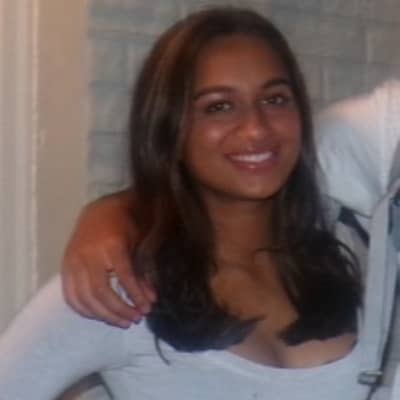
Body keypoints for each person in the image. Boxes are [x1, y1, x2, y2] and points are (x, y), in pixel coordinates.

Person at [0, 7, 367, 399]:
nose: (257, 128)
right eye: (219, 107)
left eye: (275, 99)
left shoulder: (345, 249)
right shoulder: (122, 287)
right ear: (169, 128)